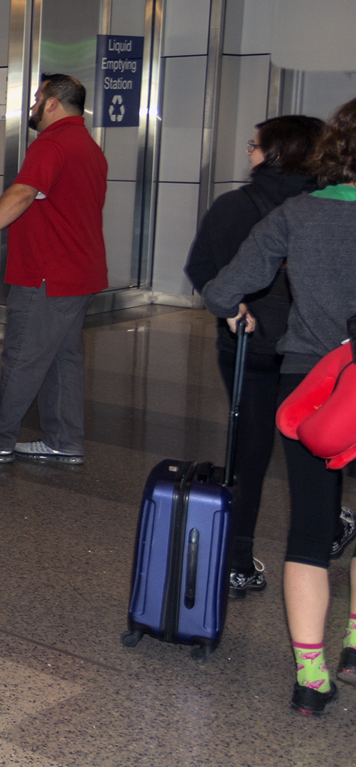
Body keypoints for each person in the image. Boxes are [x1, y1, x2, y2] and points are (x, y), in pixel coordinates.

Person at [203, 96, 356, 718]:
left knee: (310, 534)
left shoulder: (297, 214)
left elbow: (221, 290)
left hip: (314, 388)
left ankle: (310, 679)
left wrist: (235, 310)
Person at [185, 115, 332, 598]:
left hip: (249, 346)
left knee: (249, 451)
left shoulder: (234, 205)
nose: (249, 152)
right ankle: (327, 528)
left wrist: (232, 307)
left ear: (274, 152)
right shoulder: (328, 211)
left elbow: (203, 269)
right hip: (318, 358)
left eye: (254, 145)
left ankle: (238, 559)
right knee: (320, 453)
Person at [0, 74, 108, 464]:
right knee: (63, 359)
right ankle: (64, 439)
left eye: (38, 99)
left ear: (53, 103)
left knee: (22, 357)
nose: (34, 106)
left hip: (47, 273)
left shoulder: (52, 144)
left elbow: (22, 193)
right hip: (79, 272)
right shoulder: (89, 147)